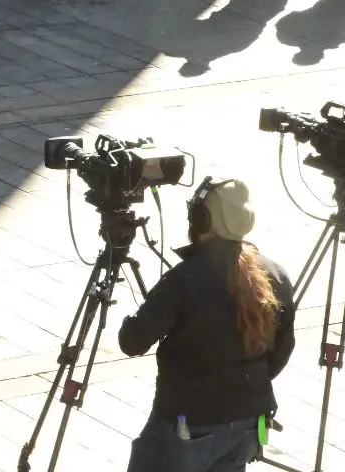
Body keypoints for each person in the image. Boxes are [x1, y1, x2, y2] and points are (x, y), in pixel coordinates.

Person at [118, 177, 294, 472]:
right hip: (248, 422)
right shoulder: (274, 273)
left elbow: (132, 341)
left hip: (187, 427)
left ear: (202, 221)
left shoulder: (184, 280)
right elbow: (282, 348)